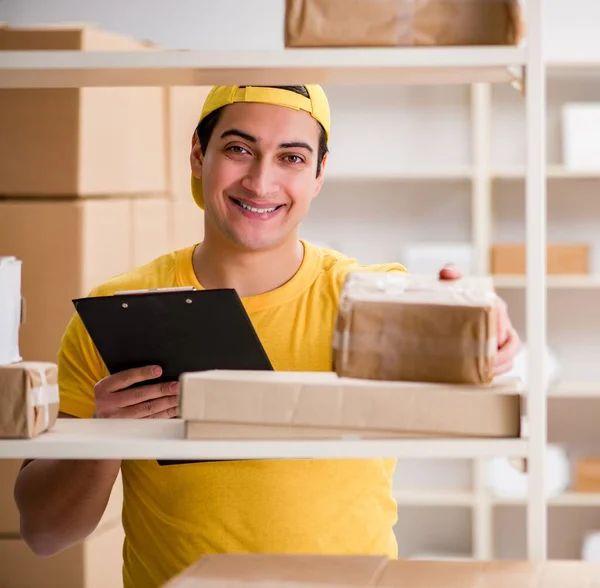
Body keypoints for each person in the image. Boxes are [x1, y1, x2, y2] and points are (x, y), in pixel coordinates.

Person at [14, 84, 521, 588]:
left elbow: (512, 431)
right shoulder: (116, 315)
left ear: (320, 173)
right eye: (239, 149)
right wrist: (103, 439)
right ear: (198, 154)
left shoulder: (372, 304)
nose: (261, 181)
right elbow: (44, 534)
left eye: (292, 158)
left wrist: (488, 338)